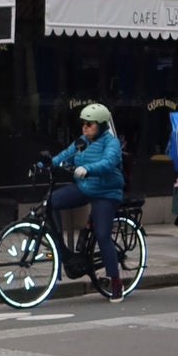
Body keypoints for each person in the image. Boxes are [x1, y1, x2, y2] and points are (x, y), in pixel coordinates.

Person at [49, 103, 125, 299]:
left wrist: (89, 169)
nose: (85, 128)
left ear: (100, 125)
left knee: (102, 235)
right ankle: (64, 252)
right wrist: (44, 164)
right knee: (50, 203)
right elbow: (64, 156)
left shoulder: (112, 143)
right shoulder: (82, 141)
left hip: (106, 192)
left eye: (89, 124)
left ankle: (116, 283)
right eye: (83, 124)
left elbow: (109, 162)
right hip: (84, 187)